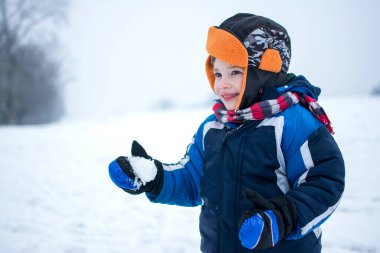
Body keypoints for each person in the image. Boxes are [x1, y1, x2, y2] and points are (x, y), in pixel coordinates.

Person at [108, 13, 345, 253]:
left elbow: (325, 181)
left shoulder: (292, 122)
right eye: (218, 73)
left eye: (235, 72)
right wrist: (155, 177)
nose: (222, 84)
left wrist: (281, 219)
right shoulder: (213, 127)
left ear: (264, 72)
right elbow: (192, 180)